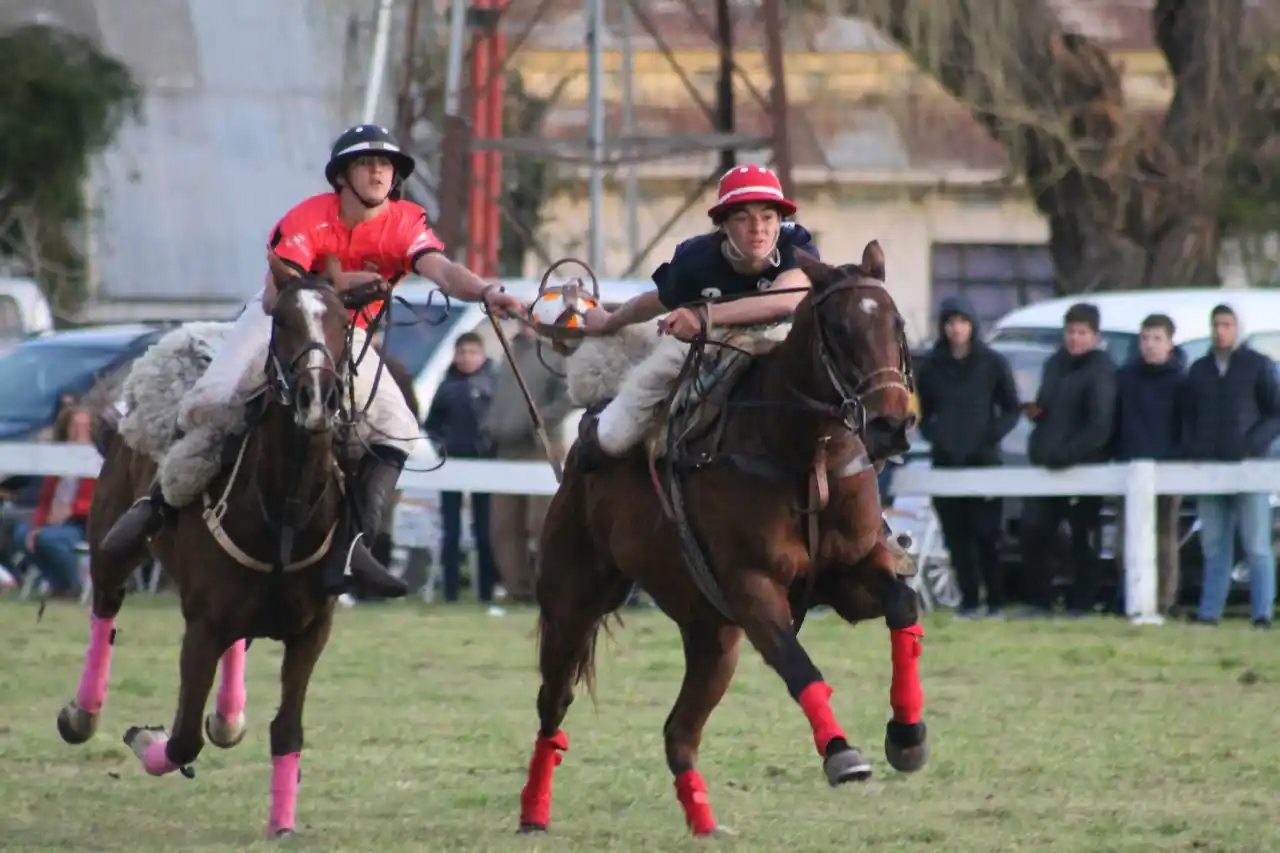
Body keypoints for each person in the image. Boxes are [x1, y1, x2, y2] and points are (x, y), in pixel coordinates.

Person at [98, 124, 525, 599]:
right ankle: (156, 506)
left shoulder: (407, 221)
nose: (378, 172)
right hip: (281, 321)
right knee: (212, 398)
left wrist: (486, 291)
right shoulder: (308, 218)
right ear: (343, 176)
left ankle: (353, 546)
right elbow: (281, 294)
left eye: (385, 165)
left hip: (344, 334)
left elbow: (442, 270)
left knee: (399, 431)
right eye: (366, 164)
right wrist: (345, 284)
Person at [575, 164, 818, 471]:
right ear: (723, 225)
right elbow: (656, 301)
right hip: (705, 345)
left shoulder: (796, 243)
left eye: (768, 216)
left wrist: (702, 316)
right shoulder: (696, 258)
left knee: (842, 412)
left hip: (781, 343)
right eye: (743, 218)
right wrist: (610, 321)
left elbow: (782, 301)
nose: (758, 228)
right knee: (614, 437)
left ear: (779, 220)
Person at [916, 297, 1021, 619]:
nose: (955, 329)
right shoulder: (931, 366)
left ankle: (997, 602)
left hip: (984, 463)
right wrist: (938, 438)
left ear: (972, 324)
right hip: (946, 464)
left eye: (962, 322)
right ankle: (970, 601)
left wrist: (989, 436)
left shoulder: (992, 363)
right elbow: (921, 412)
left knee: (987, 536)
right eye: (949, 322)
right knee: (956, 537)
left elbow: (1011, 408)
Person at [1015, 302, 1118, 618]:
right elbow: (1051, 408)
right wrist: (1037, 415)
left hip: (1082, 467)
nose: (1075, 338)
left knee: (1082, 536)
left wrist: (1067, 455)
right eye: (1071, 331)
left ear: (1095, 335)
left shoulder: (1102, 370)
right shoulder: (1054, 364)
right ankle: (1040, 599)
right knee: (1033, 529)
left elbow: (1099, 425)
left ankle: (1082, 602)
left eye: (1082, 332)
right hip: (1047, 465)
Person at [1180, 304, 1280, 627]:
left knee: (1256, 544)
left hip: (1249, 467)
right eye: (1216, 324)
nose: (1220, 331)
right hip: (1209, 469)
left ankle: (1262, 612)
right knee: (1214, 544)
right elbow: (1188, 417)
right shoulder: (1199, 370)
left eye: (1226, 324)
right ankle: (1210, 613)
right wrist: (1194, 448)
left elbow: (1274, 413)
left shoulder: (1257, 366)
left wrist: (1252, 445)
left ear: (1238, 328)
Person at [424, 333, 500, 603]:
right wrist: (441, 446)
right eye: (462, 353)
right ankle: (451, 591)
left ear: (482, 355)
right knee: (451, 530)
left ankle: (487, 591)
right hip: (453, 463)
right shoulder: (447, 386)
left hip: (486, 464)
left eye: (472, 352)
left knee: (485, 530)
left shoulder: (495, 382)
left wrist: (492, 445)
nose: (467, 358)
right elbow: (431, 424)